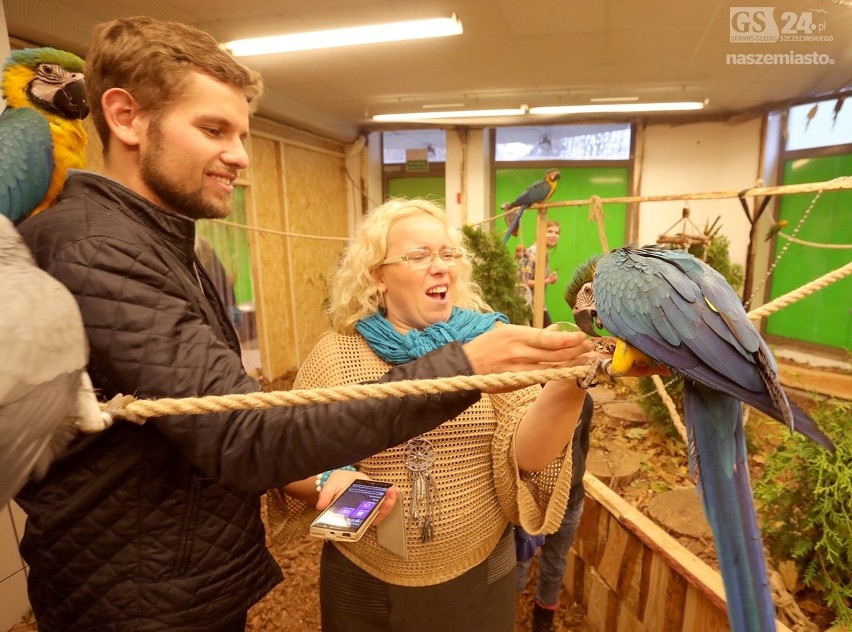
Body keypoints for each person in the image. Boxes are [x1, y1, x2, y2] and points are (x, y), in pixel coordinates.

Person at [13, 17, 596, 631]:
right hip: (143, 599)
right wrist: (465, 367)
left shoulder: (172, 248)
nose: (239, 155)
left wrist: (559, 383)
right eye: (213, 129)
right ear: (126, 118)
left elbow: (224, 421)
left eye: (448, 253)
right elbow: (248, 438)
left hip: (193, 581)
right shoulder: (100, 249)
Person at [274, 198, 595, 632]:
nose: (441, 266)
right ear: (378, 276)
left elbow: (530, 457)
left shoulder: (492, 343)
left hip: (479, 573)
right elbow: (281, 457)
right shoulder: (338, 355)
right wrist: (325, 481)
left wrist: (569, 383)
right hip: (366, 581)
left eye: (448, 254)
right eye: (419, 255)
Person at [515, 396, 593, 632]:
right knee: (520, 560)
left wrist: (575, 477)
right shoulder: (527, 401)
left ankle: (543, 618)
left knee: (556, 562)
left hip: (570, 500)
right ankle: (509, 610)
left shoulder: (583, 401)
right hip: (528, 500)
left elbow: (583, 445)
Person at [519, 220, 561, 327]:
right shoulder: (533, 252)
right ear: (541, 233)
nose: (554, 235)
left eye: (556, 233)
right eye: (550, 231)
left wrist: (548, 278)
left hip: (538, 304)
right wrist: (547, 280)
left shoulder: (543, 252)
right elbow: (522, 282)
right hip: (528, 305)